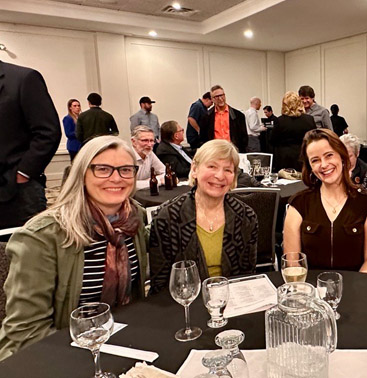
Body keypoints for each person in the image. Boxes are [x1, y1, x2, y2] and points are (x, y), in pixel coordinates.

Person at [0, 136, 148, 361]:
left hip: (118, 342)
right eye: (103, 169)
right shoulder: (43, 237)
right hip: (55, 354)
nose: (116, 178)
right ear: (82, 174)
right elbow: (25, 332)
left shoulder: (132, 219)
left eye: (125, 169)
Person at [149, 139, 258, 292]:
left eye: (228, 170)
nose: (220, 176)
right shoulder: (167, 217)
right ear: (194, 169)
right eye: (212, 166)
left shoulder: (246, 216)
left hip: (232, 300)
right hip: (184, 304)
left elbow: (247, 275)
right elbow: (160, 284)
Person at [284, 128, 367, 273]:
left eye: (329, 155)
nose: (323, 165)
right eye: (315, 160)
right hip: (310, 290)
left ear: (342, 157)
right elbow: (293, 263)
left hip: (357, 288)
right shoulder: (298, 204)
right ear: (310, 167)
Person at [0, 60, 61, 229]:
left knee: (25, 251)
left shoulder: (23, 78)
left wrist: (23, 173)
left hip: (17, 192)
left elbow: (48, 131)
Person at [270, 91, 317, 172]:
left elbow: (272, 140)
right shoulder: (309, 119)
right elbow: (313, 139)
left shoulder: (280, 120)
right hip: (304, 156)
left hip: (284, 158)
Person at [198, 85, 248, 152]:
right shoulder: (206, 116)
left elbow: (244, 138)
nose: (220, 99)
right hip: (214, 152)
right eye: (217, 97)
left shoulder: (238, 116)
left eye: (222, 95)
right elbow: (203, 138)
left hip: (233, 151)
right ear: (212, 99)